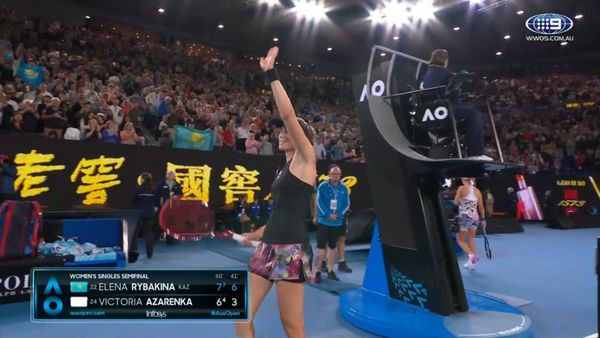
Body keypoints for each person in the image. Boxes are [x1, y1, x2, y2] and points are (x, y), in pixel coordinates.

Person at [236, 47, 317, 338]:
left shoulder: (307, 161)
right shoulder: (282, 172)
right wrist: (254, 236)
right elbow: (278, 218)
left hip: (291, 251)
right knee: (241, 316)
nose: (281, 132)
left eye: (288, 131)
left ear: (302, 139)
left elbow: (287, 114)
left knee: (292, 326)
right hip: (267, 247)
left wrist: (271, 73)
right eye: (279, 131)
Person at [421, 49, 492, 161]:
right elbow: (452, 95)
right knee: (474, 113)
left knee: (469, 113)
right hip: (443, 109)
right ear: (445, 60)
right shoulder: (445, 72)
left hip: (430, 111)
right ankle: (475, 153)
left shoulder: (427, 74)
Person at [313, 164, 351, 283]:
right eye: (333, 174)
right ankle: (318, 271)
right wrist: (327, 214)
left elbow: (346, 204)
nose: (335, 176)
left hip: (337, 222)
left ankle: (330, 271)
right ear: (329, 175)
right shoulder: (323, 186)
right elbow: (319, 202)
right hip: (324, 221)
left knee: (332, 246)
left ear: (340, 175)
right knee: (320, 246)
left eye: (337, 174)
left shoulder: (344, 188)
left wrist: (339, 215)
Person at [454, 177, 486, 270]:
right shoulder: (477, 191)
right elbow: (481, 206)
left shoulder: (461, 188)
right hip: (475, 217)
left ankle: (471, 255)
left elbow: (456, 202)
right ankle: (471, 264)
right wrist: (483, 219)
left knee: (459, 240)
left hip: (464, 216)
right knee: (471, 239)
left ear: (464, 179)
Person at [130, 172, 157, 261]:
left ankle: (133, 251)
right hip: (149, 214)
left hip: (138, 214)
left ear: (142, 179)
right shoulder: (153, 189)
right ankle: (150, 253)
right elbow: (156, 202)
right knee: (149, 234)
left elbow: (133, 201)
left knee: (135, 233)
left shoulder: (137, 189)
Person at [155, 170, 183, 244]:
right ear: (166, 176)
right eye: (169, 174)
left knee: (171, 222)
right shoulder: (160, 184)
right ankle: (158, 236)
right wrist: (156, 205)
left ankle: (170, 238)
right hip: (163, 206)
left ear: (174, 176)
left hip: (173, 207)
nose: (170, 176)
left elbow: (180, 195)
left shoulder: (177, 185)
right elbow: (156, 195)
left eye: (172, 174)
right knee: (160, 221)